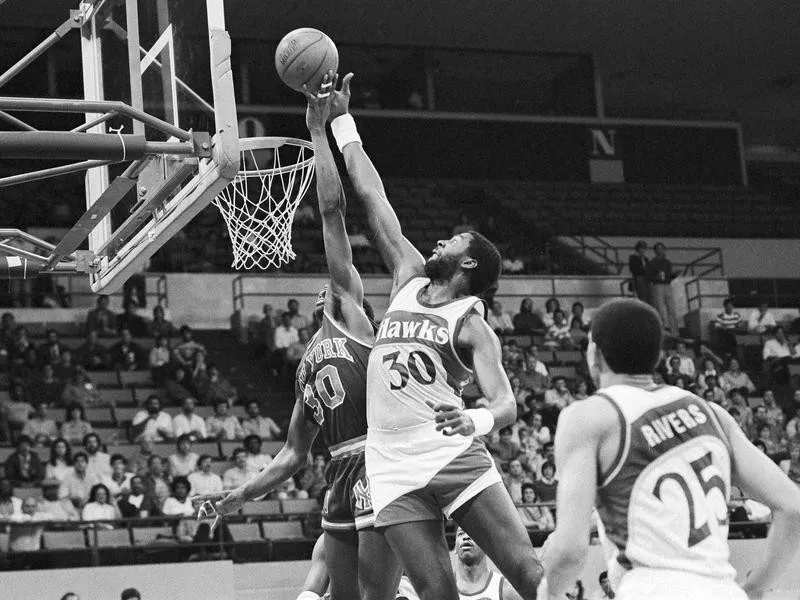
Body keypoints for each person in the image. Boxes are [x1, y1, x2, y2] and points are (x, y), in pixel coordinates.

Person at [324, 72, 543, 600]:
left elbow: (507, 403)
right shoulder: (408, 274)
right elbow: (371, 195)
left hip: (448, 452)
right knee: (435, 594)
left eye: (453, 239)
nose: (439, 239)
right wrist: (339, 120)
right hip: (389, 462)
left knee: (530, 574)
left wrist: (475, 418)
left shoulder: (471, 323)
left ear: (468, 262)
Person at [213, 76, 400, 600]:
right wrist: (240, 496)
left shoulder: (352, 318)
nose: (327, 288)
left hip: (378, 458)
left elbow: (333, 213)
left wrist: (318, 132)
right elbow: (293, 454)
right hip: (339, 468)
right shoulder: (305, 368)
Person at [540, 298, 800, 600]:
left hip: (652, 588)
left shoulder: (591, 416)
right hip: (724, 590)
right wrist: (754, 589)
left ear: (594, 353)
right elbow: (793, 506)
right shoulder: (713, 413)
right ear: (658, 355)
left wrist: (548, 593)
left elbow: (570, 551)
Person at [396, 528, 524, 600]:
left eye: (473, 534)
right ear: (455, 549)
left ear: (487, 546)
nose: (466, 537)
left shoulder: (505, 590)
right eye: (461, 534)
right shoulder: (439, 589)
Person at [645, 243, 680, 337]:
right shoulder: (651, 263)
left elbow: (669, 276)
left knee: (671, 309)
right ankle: (663, 331)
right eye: (658, 249)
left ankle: (674, 332)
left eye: (662, 249)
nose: (660, 251)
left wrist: (674, 274)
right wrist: (656, 278)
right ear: (655, 251)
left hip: (667, 285)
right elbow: (648, 276)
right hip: (657, 286)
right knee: (660, 309)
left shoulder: (668, 262)